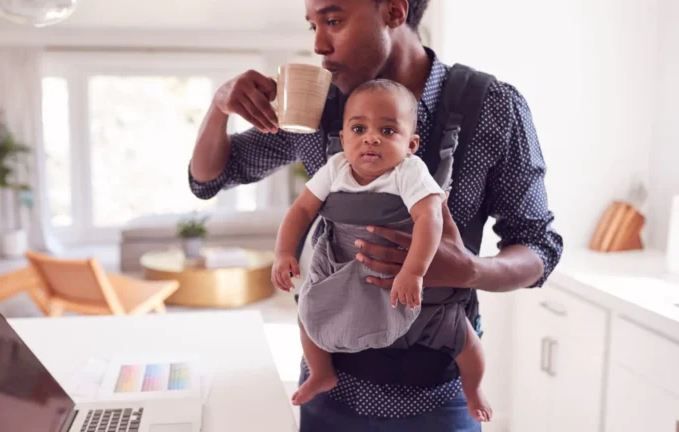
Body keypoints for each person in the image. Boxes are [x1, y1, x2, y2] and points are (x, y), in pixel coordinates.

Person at [187, 0, 563, 429]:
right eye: (312, 26)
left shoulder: (493, 107)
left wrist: (468, 270)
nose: (318, 45)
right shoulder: (315, 107)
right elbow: (210, 178)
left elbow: (540, 248)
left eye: (333, 21)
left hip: (440, 393)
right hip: (330, 388)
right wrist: (219, 109)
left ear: (394, 12)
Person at [270, 78, 492, 423]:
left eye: (388, 131)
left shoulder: (409, 172)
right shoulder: (337, 169)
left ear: (411, 144)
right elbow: (300, 210)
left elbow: (429, 218)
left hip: (403, 284)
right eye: (359, 128)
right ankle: (321, 372)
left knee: (464, 339)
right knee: (308, 317)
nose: (371, 138)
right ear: (344, 139)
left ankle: (474, 389)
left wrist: (413, 271)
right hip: (344, 275)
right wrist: (283, 252)